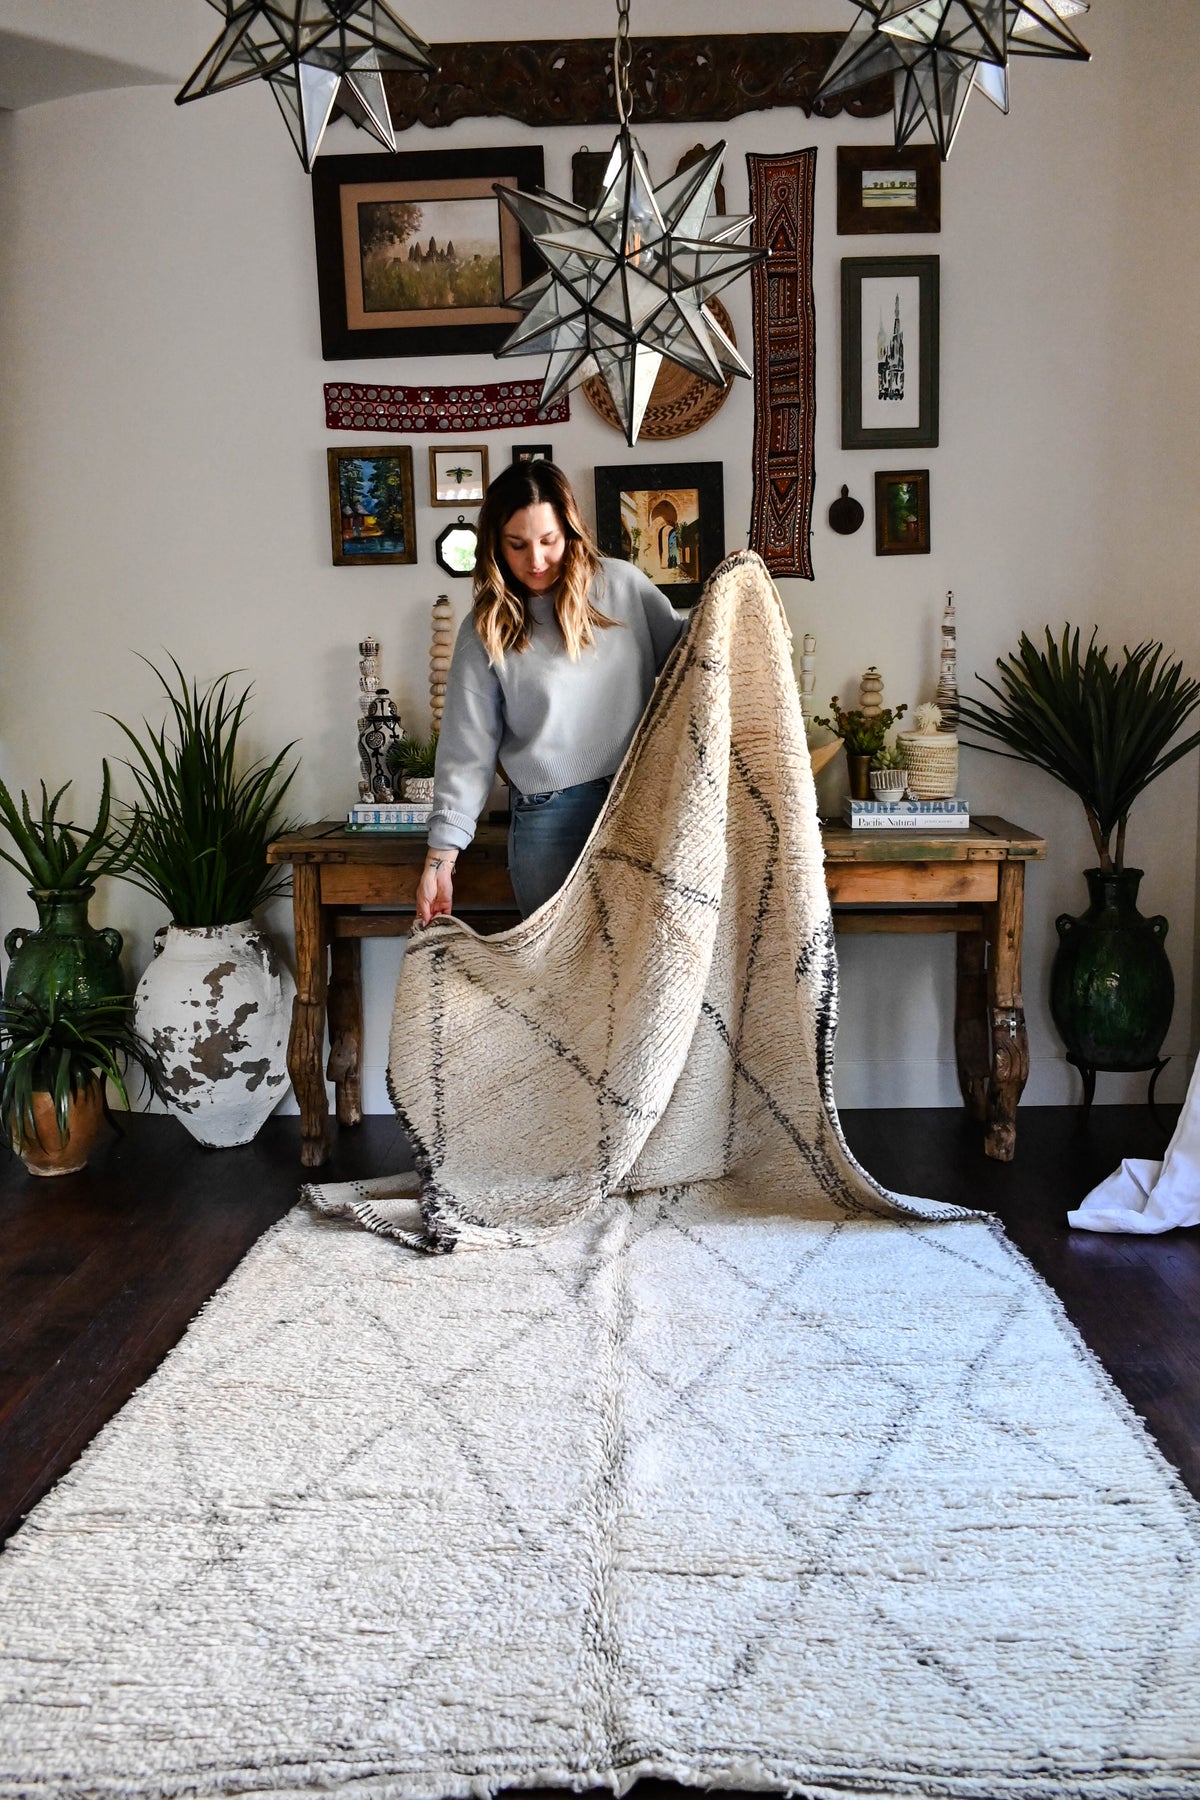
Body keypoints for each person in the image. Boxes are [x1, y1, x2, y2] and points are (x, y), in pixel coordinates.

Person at [415, 461, 685, 924]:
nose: (536, 560)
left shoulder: (622, 586)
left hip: (640, 799)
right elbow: (466, 749)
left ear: (570, 532)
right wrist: (440, 859)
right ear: (495, 545)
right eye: (517, 545)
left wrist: (732, 591)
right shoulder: (485, 628)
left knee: (650, 958)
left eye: (549, 540)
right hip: (548, 818)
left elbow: (691, 660)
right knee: (555, 967)